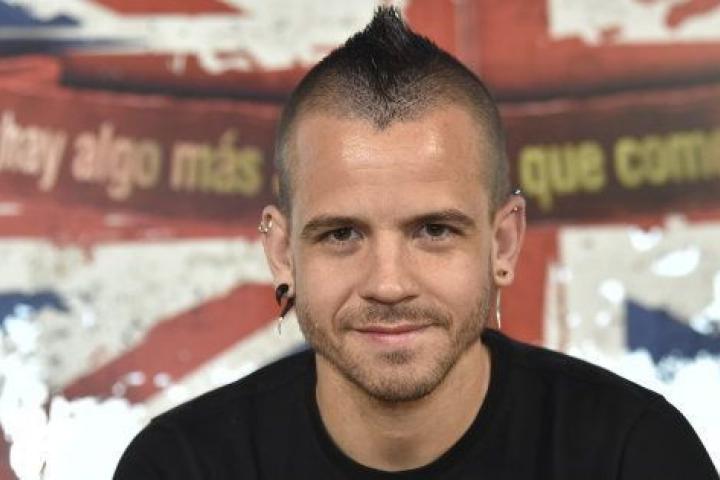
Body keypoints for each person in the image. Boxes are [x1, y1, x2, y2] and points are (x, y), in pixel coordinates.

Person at [114, 7, 718, 479]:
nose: (388, 284)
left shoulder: (633, 455)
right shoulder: (181, 466)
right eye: (341, 234)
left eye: (434, 231)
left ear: (503, 243)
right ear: (281, 253)